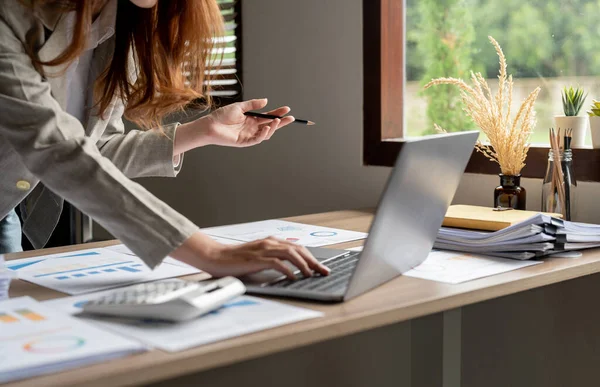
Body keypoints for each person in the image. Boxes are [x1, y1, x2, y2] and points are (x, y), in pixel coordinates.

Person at [0, 0, 329, 280]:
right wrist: (209, 252)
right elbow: (55, 147)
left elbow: (92, 149)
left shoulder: (118, 25)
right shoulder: (10, 15)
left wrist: (201, 131)